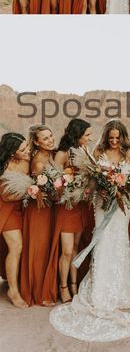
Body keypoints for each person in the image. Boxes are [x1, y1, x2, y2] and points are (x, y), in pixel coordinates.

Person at [49, 120, 130, 341]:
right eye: (111, 137)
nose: (114, 140)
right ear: (105, 136)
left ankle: (119, 292)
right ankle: (98, 290)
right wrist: (102, 186)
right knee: (102, 242)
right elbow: (91, 180)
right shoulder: (98, 151)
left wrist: (121, 186)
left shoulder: (129, 154)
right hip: (101, 203)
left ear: (124, 137)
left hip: (121, 207)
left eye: (118, 137)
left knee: (119, 243)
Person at [43, 119, 93, 304]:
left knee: (75, 249)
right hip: (66, 207)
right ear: (78, 135)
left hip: (80, 206)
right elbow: (53, 184)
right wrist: (69, 185)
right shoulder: (62, 154)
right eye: (87, 135)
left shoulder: (84, 152)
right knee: (66, 250)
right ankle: (62, 287)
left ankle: (74, 284)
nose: (89, 138)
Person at [20, 125, 56, 306]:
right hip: (38, 210)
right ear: (36, 142)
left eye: (50, 136)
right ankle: (37, 292)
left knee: (46, 247)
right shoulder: (38, 162)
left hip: (49, 209)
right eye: (45, 138)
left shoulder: (50, 156)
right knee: (38, 249)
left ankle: (45, 288)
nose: (50, 140)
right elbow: (43, 191)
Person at [0, 133, 30, 308]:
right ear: (12, 153)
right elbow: (6, 195)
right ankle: (13, 291)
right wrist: (30, 190)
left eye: (27, 147)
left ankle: (11, 278)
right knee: (16, 247)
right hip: (5, 208)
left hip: (21, 209)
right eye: (23, 149)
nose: (27, 151)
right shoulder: (4, 166)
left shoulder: (26, 160)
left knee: (18, 247)